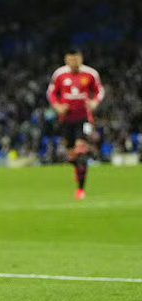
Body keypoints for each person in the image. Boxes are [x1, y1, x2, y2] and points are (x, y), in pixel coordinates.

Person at [46, 48, 104, 199]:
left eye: (76, 59)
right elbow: (51, 92)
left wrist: (94, 102)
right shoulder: (59, 74)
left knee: (81, 151)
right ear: (66, 60)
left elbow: (100, 90)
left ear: (81, 59)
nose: (73, 62)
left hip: (84, 117)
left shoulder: (90, 73)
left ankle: (80, 190)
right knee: (70, 154)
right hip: (66, 119)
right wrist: (58, 106)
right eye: (70, 59)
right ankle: (77, 164)